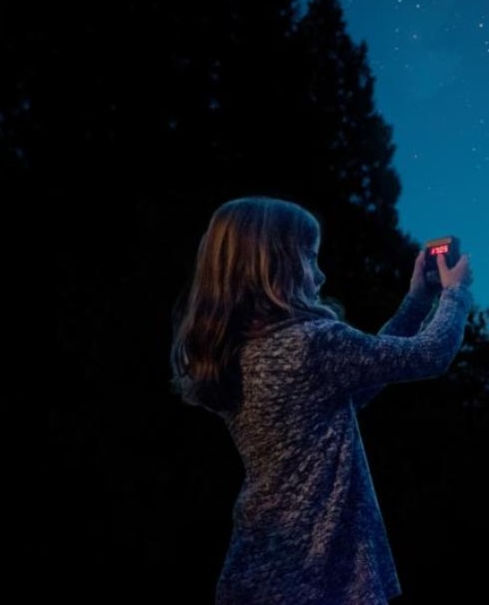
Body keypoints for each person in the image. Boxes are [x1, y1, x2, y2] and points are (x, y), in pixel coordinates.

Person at [170, 196, 473, 604]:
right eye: (310, 259)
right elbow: (429, 354)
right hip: (322, 573)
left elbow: (365, 379)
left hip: (259, 566)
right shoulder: (313, 343)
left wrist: (417, 302)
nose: (320, 274)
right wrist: (454, 294)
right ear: (275, 263)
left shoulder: (240, 352)